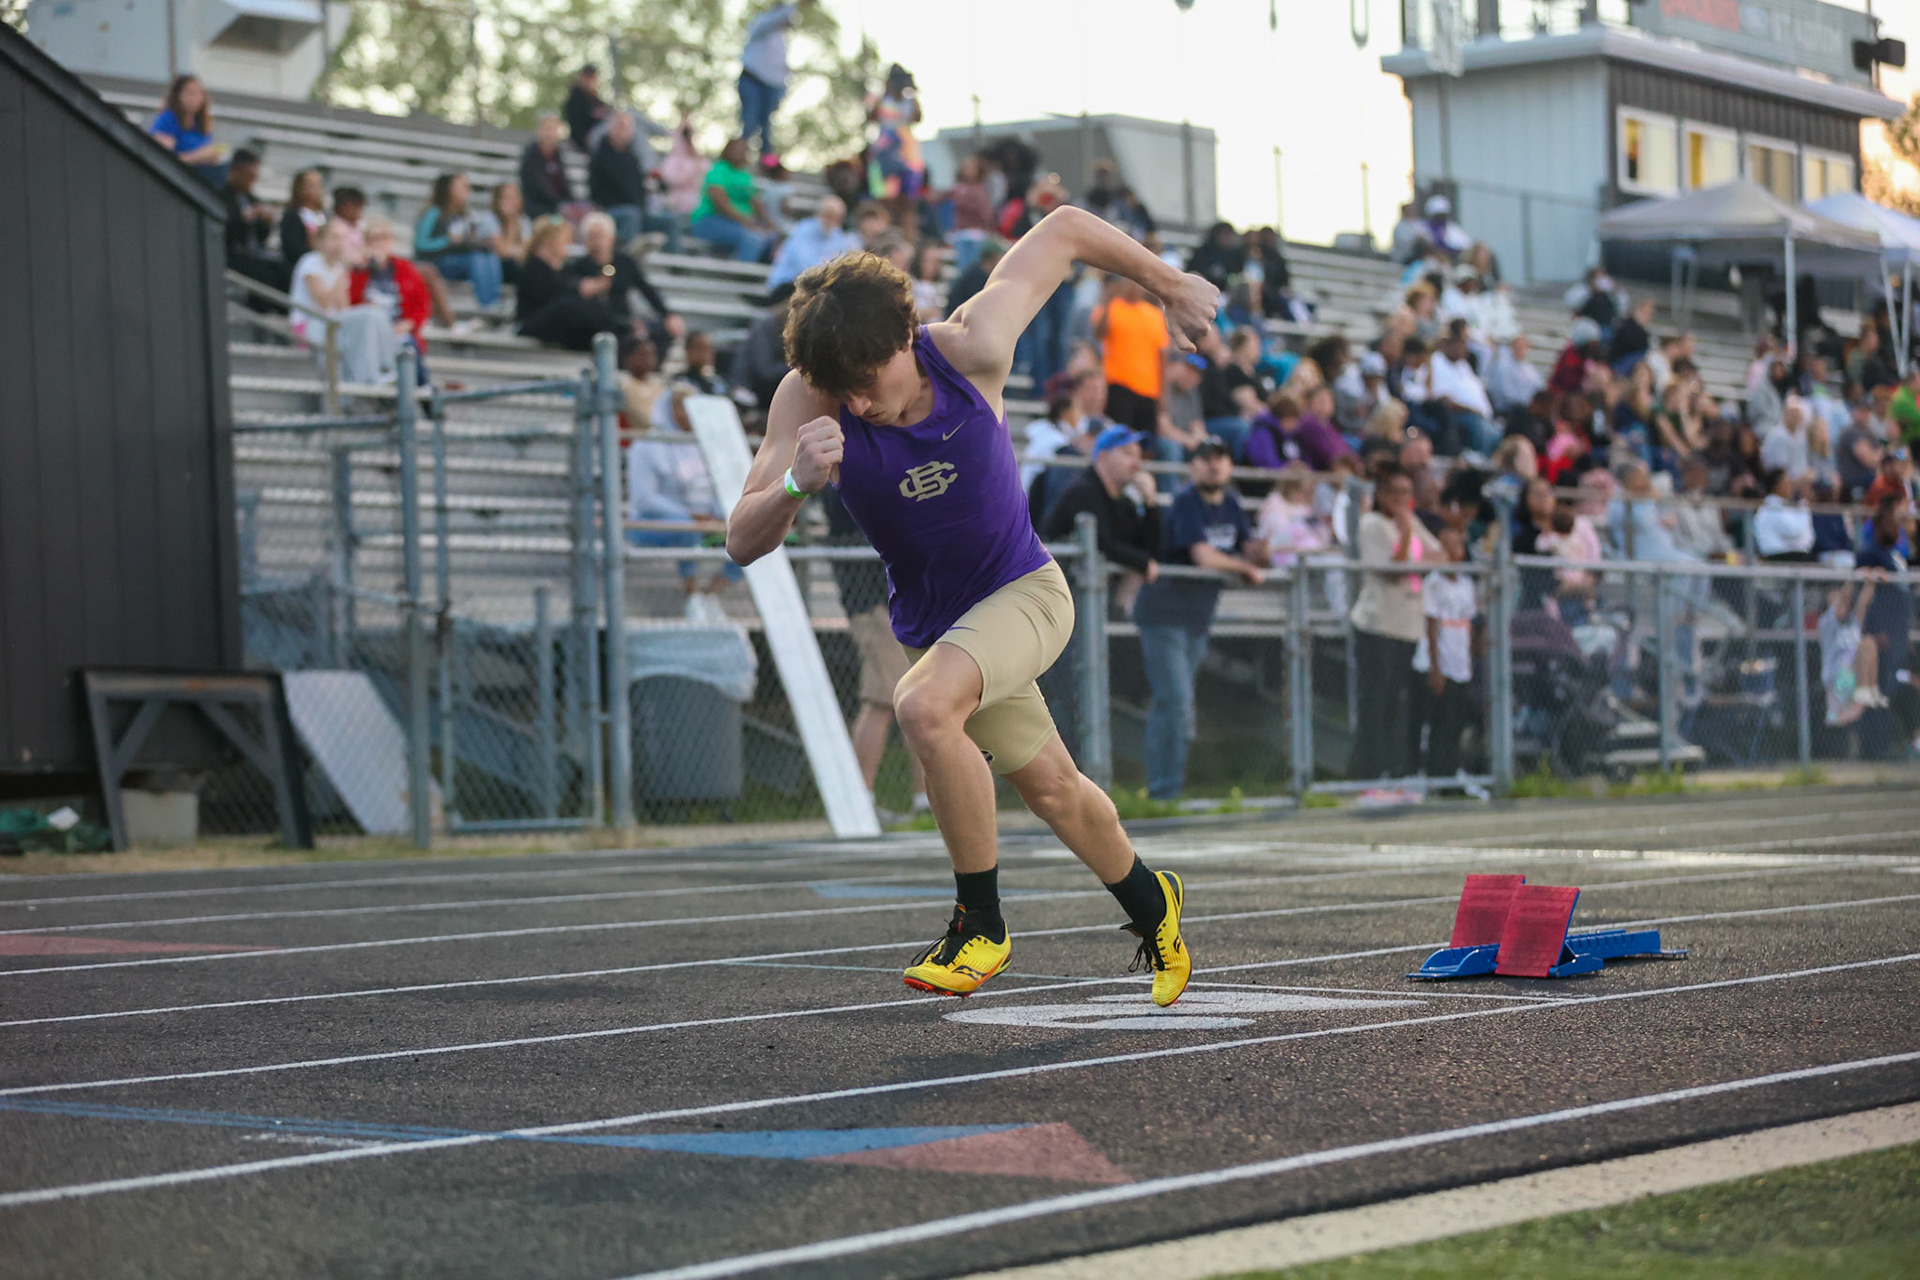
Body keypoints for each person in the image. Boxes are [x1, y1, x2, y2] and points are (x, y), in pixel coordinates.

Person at [727, 214, 1216, 1002]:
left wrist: (1172, 286)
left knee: (923, 705)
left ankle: (979, 924)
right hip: (949, 629)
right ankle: (1152, 903)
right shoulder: (811, 395)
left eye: (868, 381)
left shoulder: (970, 347)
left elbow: (1060, 231)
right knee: (1055, 790)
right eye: (840, 389)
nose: (858, 403)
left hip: (1025, 594)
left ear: (906, 340)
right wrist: (794, 485)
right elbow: (741, 540)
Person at [1132, 439, 1266, 801]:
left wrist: (1264, 550)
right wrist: (1246, 567)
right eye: (1206, 460)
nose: (1214, 466)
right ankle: (1163, 791)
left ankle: (1166, 789)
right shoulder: (1186, 503)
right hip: (1164, 615)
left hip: (1196, 619)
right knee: (1174, 701)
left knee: (1176, 703)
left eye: (1220, 459)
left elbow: (1247, 548)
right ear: (1194, 466)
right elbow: (1203, 555)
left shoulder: (1233, 505)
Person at [820, 485, 930, 815]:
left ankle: (923, 798)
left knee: (914, 700)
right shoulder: (846, 478)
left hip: (896, 603)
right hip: (874, 605)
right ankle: (861, 801)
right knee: (884, 701)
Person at [627, 351, 742, 623]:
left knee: (754, 534)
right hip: (654, 524)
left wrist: (717, 514)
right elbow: (645, 500)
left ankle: (709, 594)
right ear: (668, 408)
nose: (686, 413)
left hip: (702, 521)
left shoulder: (704, 446)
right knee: (687, 530)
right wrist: (691, 517)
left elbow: (716, 488)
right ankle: (692, 596)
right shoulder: (647, 446)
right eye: (679, 406)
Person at [1349, 470, 1442, 782]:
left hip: (1407, 625)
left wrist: (1410, 540)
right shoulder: (1373, 525)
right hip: (1379, 624)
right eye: (1394, 492)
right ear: (1380, 495)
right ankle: (1368, 771)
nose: (1401, 500)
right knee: (1374, 702)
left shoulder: (1412, 523)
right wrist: (1404, 537)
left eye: (1406, 492)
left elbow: (1440, 555)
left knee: (1396, 702)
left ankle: (1394, 767)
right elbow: (1393, 570)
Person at [288, 219, 400, 386]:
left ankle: (385, 369)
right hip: (309, 324)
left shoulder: (339, 267)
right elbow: (323, 303)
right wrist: (344, 271)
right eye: (334, 238)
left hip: (329, 324)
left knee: (375, 314)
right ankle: (371, 376)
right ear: (320, 241)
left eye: (342, 238)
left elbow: (343, 309)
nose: (339, 243)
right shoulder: (310, 262)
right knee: (368, 316)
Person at [1411, 525, 1477, 782]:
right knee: (1439, 719)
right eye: (1448, 546)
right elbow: (1431, 623)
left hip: (1460, 660)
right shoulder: (1434, 582)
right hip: (1441, 660)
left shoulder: (1467, 583)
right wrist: (1435, 669)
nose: (1454, 551)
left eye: (1458, 546)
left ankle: (1451, 773)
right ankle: (1434, 773)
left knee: (1455, 721)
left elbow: (1468, 624)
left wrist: (1469, 661)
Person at [571, 212, 682, 349]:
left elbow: (646, 289)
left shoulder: (624, 262)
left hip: (624, 320)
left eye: (601, 236)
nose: (597, 241)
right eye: (592, 236)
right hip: (595, 325)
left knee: (660, 330)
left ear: (611, 238)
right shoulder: (577, 267)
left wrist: (668, 315)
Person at [515, 216, 624, 350]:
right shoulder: (533, 267)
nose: (569, 244)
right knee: (568, 306)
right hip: (532, 322)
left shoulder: (563, 268)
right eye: (565, 239)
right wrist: (580, 289)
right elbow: (553, 295)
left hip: (557, 326)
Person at [349, 218, 432, 380]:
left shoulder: (405, 269)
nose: (380, 243)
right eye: (374, 239)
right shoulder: (358, 271)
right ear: (366, 243)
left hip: (398, 328)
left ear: (391, 241)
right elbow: (350, 302)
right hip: (369, 332)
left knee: (409, 348)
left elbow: (422, 305)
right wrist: (364, 267)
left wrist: (409, 323)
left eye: (384, 238)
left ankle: (423, 393)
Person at [589, 112, 683, 253]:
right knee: (631, 215)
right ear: (610, 128)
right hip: (610, 211)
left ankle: (676, 267)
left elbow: (645, 184)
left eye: (626, 128)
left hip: (638, 212)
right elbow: (596, 190)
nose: (622, 132)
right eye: (619, 126)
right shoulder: (600, 156)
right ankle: (626, 260)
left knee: (669, 222)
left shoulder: (633, 158)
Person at [1093, 276, 1170, 437]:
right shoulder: (1111, 308)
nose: (1133, 287)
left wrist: (1163, 394)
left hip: (1149, 390)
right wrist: (1109, 300)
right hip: (1119, 386)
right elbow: (1099, 333)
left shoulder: (1154, 315)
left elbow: (1162, 356)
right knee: (1120, 439)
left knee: (1147, 444)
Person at [415, 172, 504, 311]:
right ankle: (487, 304)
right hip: (437, 261)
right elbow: (421, 243)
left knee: (488, 256)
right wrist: (446, 241)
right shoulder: (434, 212)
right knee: (476, 259)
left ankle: (494, 300)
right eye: (463, 187)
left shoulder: (464, 215)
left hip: (458, 259)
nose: (467, 191)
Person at [739, 0, 810, 155]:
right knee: (750, 122)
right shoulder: (762, 22)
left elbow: (780, 69)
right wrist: (796, 5)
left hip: (770, 86)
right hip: (752, 80)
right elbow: (774, 20)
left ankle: (767, 162)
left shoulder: (782, 40)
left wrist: (783, 89)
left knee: (766, 127)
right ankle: (738, 157)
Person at [691, 138, 778, 262]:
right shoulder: (719, 169)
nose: (740, 152)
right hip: (710, 221)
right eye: (736, 149)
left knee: (771, 238)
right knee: (751, 237)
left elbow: (755, 203)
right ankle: (742, 275)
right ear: (728, 150)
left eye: (743, 149)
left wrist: (770, 225)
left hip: (740, 224)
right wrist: (746, 221)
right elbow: (720, 202)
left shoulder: (745, 174)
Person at [867, 63, 925, 241]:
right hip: (885, 153)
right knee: (885, 200)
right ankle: (884, 238)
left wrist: (913, 90)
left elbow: (918, 117)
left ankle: (908, 240)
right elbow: (870, 116)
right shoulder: (881, 99)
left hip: (907, 155)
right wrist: (886, 92)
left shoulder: (910, 101)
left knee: (908, 203)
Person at [220, 150, 286, 292]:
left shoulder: (251, 199)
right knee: (263, 274)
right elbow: (225, 230)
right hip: (232, 254)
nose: (253, 180)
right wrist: (244, 219)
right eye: (249, 175)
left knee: (284, 268)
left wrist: (266, 222)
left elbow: (261, 237)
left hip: (254, 252)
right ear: (236, 171)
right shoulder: (221, 196)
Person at [767, 195, 861, 290]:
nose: (831, 221)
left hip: (813, 287)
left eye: (836, 218)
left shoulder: (838, 236)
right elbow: (806, 266)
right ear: (819, 214)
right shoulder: (802, 230)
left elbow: (840, 264)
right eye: (828, 215)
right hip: (787, 283)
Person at [148, 73, 225, 186]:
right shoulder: (168, 119)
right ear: (178, 95)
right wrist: (197, 156)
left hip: (198, 181)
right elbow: (163, 160)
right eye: (190, 93)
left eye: (199, 93)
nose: (195, 98)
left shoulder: (202, 124)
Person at [474, 181, 533, 286]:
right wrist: (510, 222)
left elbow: (527, 250)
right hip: (493, 266)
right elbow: (501, 250)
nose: (513, 201)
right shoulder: (489, 220)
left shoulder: (524, 222)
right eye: (508, 197)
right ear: (499, 200)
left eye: (516, 197)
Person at [520, 115, 577, 219]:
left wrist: (572, 203)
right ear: (539, 131)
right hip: (538, 208)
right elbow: (537, 187)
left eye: (553, 130)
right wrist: (560, 204)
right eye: (547, 129)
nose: (549, 134)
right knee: (560, 221)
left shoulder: (557, 154)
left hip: (556, 206)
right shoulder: (531, 155)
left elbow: (564, 184)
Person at [279, 169, 328, 269]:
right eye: (310, 185)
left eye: (318, 184)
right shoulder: (292, 215)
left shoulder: (324, 216)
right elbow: (292, 249)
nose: (315, 189)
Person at [563, 65, 609, 153]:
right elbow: (577, 126)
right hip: (589, 138)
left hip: (601, 133)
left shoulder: (595, 100)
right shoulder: (575, 100)